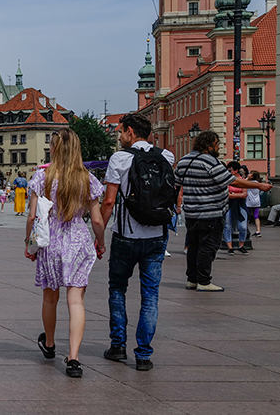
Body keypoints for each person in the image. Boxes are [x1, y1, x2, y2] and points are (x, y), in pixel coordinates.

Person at [25, 129, 105, 378]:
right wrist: (100, 243)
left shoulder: (42, 177)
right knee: (76, 301)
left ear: (55, 149)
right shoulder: (87, 179)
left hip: (51, 241)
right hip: (78, 240)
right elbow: (97, 220)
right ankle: (73, 358)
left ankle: (49, 344)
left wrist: (28, 243)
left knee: (50, 298)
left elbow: (32, 216)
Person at [100, 113, 174, 371]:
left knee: (118, 288)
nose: (119, 136)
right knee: (150, 295)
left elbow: (109, 201)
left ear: (130, 132)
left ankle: (118, 345)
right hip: (156, 235)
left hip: (126, 236)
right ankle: (143, 354)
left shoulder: (120, 158)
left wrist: (99, 235)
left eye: (120, 132)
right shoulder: (167, 156)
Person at [176, 131, 272, 294]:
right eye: (216, 144)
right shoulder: (210, 161)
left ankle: (192, 279)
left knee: (194, 247)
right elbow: (231, 180)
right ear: (208, 146)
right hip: (211, 212)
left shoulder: (183, 161)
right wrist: (258, 185)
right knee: (208, 247)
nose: (218, 147)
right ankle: (204, 281)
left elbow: (177, 183)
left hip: (191, 212)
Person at [223, 161, 249, 255]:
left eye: (230, 170)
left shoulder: (242, 181)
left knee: (243, 227)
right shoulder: (226, 181)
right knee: (227, 225)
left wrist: (233, 194)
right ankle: (230, 247)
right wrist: (239, 194)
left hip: (240, 205)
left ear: (236, 171)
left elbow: (244, 195)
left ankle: (241, 245)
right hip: (229, 205)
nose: (228, 172)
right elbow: (226, 195)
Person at [246, 171, 264, 237]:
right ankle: (258, 231)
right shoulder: (258, 183)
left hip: (249, 202)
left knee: (247, 217)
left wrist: (247, 178)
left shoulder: (249, 183)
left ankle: (245, 230)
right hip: (256, 202)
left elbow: (242, 183)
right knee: (256, 216)